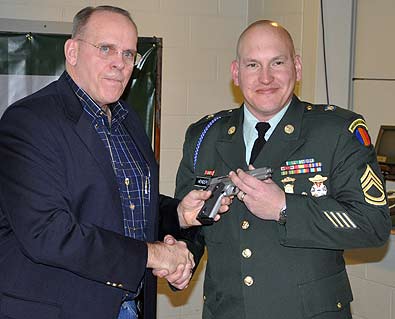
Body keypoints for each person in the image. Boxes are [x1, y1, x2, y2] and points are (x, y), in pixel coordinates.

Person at [0, 6, 230, 319]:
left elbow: (120, 205)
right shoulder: (30, 121)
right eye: (106, 48)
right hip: (61, 307)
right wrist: (153, 255)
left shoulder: (127, 120)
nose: (118, 64)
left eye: (128, 54)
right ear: (72, 51)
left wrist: (178, 214)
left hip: (127, 306)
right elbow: (48, 232)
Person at [175, 20, 392, 319]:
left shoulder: (336, 132)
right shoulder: (205, 136)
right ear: (236, 73)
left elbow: (373, 224)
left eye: (277, 62)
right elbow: (192, 223)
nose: (266, 77)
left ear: (297, 68)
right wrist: (181, 256)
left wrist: (284, 207)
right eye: (253, 65)